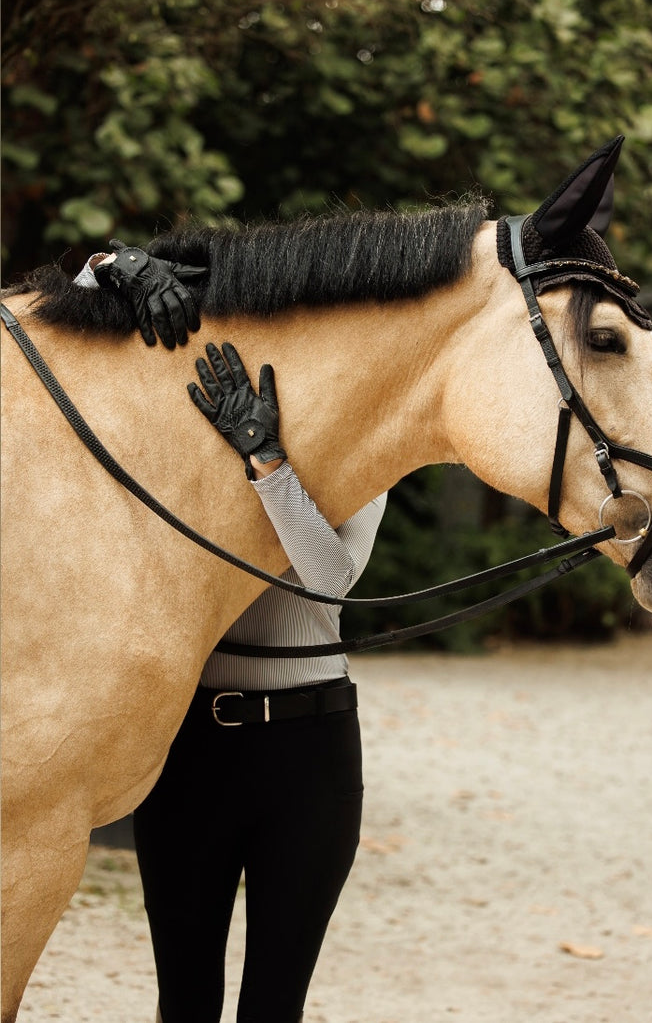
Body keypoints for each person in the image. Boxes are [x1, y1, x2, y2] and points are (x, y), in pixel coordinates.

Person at [130, 340, 387, 1023]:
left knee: (274, 1006)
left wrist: (268, 460)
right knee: (183, 1002)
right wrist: (107, 259)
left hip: (312, 757)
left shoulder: (365, 456)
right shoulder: (200, 438)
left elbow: (329, 578)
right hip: (193, 748)